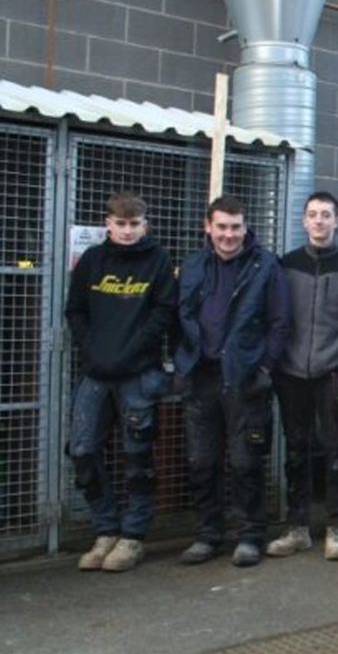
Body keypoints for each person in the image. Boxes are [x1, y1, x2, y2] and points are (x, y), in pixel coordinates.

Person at [175, 195, 290, 567]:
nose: (229, 235)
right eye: (221, 227)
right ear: (207, 227)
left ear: (245, 227)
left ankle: (250, 536)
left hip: (245, 378)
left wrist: (265, 369)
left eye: (235, 227)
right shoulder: (193, 265)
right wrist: (182, 362)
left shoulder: (265, 264)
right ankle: (207, 535)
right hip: (201, 375)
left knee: (245, 462)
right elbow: (179, 316)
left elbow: (279, 322)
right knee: (201, 461)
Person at [65, 191, 176, 572]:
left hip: (139, 374)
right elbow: (75, 310)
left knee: (137, 457)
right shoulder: (92, 260)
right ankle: (106, 529)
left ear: (145, 225)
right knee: (82, 450)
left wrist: (133, 351)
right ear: (107, 224)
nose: (127, 231)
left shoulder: (158, 260)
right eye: (121, 224)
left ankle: (133, 536)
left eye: (134, 224)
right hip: (95, 372)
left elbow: (163, 312)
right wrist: (92, 350)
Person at [266, 191, 338, 561]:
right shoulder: (287, 264)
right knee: (296, 450)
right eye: (313, 214)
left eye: (326, 215)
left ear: (337, 220)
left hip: (334, 372)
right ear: (304, 220)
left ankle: (337, 527)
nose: (319, 221)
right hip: (291, 373)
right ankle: (297, 527)